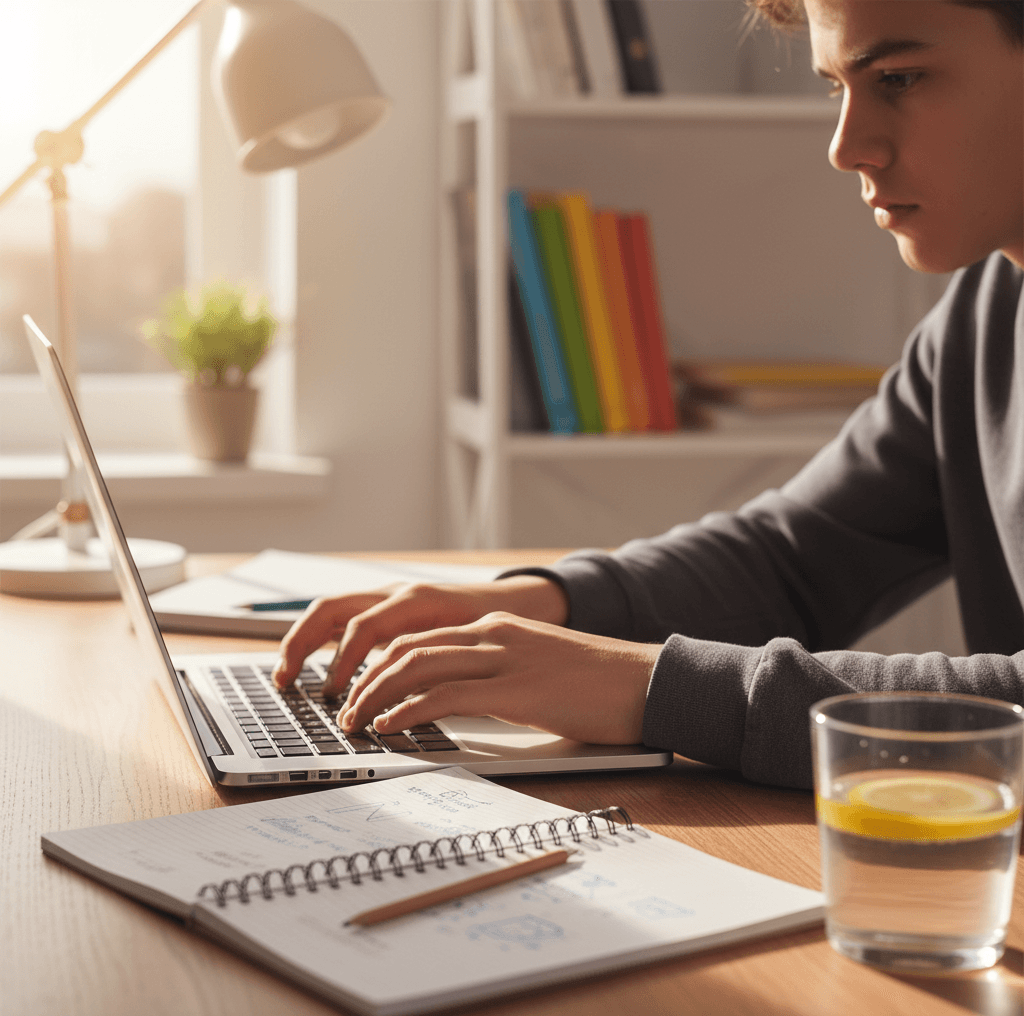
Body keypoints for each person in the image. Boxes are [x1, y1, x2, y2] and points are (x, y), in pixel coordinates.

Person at [274, 0, 1024, 789]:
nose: (845, 148)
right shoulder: (987, 308)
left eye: (899, 78)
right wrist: (543, 605)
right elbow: (796, 557)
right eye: (837, 87)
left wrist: (647, 686)